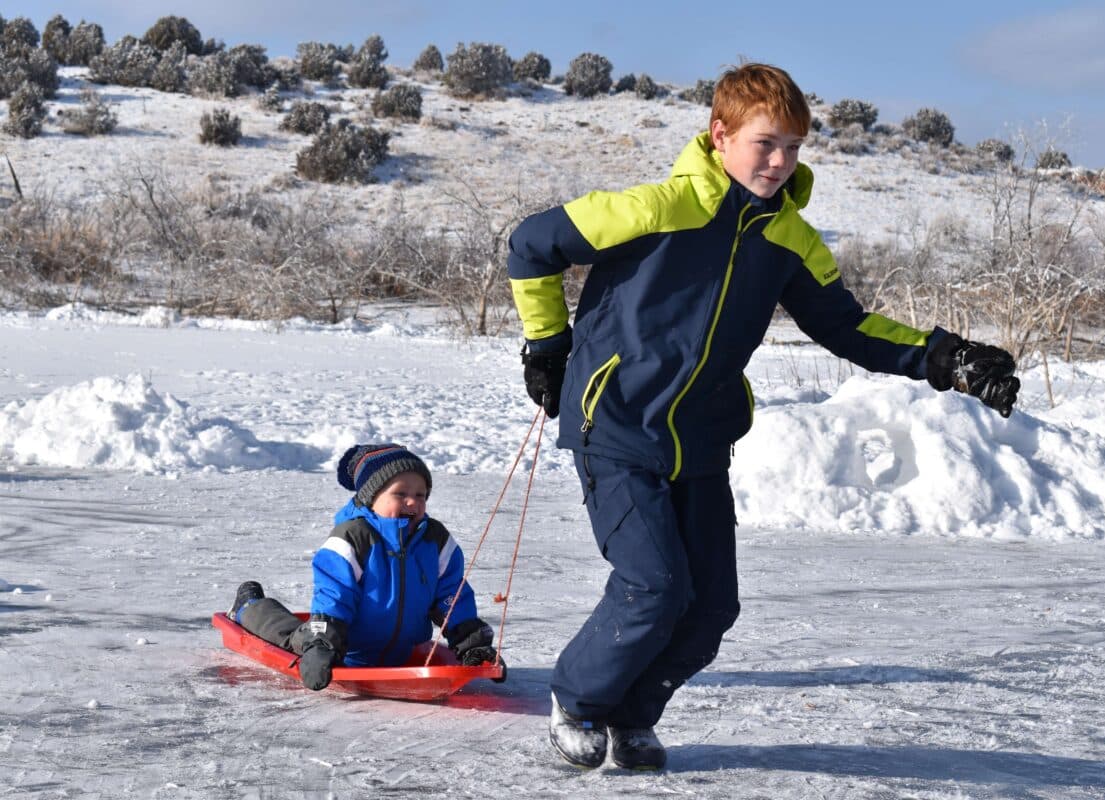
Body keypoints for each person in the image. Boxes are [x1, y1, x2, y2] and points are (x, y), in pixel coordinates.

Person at [506, 62, 1018, 770]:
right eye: (765, 143)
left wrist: (947, 358)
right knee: (654, 586)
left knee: (711, 606)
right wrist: (548, 345)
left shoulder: (790, 241)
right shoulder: (656, 208)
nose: (780, 162)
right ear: (720, 136)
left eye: (794, 148)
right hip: (617, 428)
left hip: (703, 440)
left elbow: (851, 328)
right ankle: (579, 701)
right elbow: (531, 245)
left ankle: (632, 716)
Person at [228, 443, 505, 691]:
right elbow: (334, 597)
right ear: (372, 498)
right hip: (341, 644)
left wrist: (473, 643)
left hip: (399, 651)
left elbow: (451, 596)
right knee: (290, 636)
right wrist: (322, 646)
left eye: (421, 494)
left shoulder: (435, 541)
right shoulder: (353, 538)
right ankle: (250, 605)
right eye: (401, 493)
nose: (413, 502)